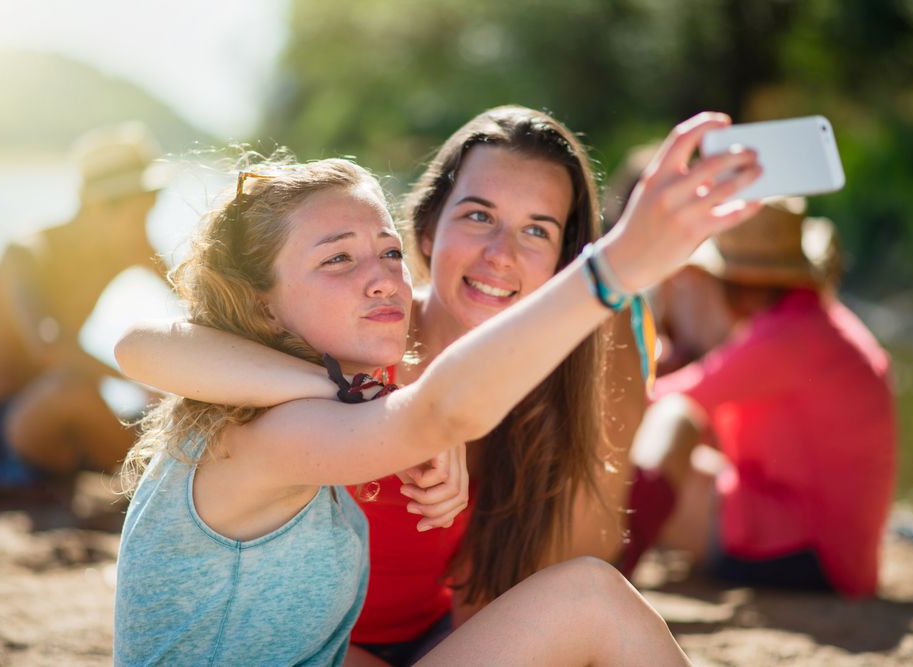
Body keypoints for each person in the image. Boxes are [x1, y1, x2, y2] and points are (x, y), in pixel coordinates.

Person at [113, 111, 762, 664]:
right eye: (338, 258)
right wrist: (617, 267)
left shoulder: (382, 378)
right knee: (592, 598)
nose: (379, 278)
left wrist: (375, 401)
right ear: (433, 229)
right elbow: (135, 343)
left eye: (386, 253)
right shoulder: (280, 419)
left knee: (590, 595)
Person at [619, 198, 897, 598]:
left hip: (817, 555)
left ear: (738, 289)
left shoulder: (785, 338)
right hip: (839, 550)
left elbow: (662, 401)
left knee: (667, 423)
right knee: (675, 448)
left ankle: (605, 563)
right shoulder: (815, 323)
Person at [0, 122, 168, 503]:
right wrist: (137, 380)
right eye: (140, 211)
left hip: (73, 427)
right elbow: (48, 347)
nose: (146, 222)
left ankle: (161, 470)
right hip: (10, 435)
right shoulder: (29, 251)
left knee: (178, 399)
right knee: (73, 389)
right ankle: (160, 480)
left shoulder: (121, 247)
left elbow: (198, 300)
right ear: (99, 206)